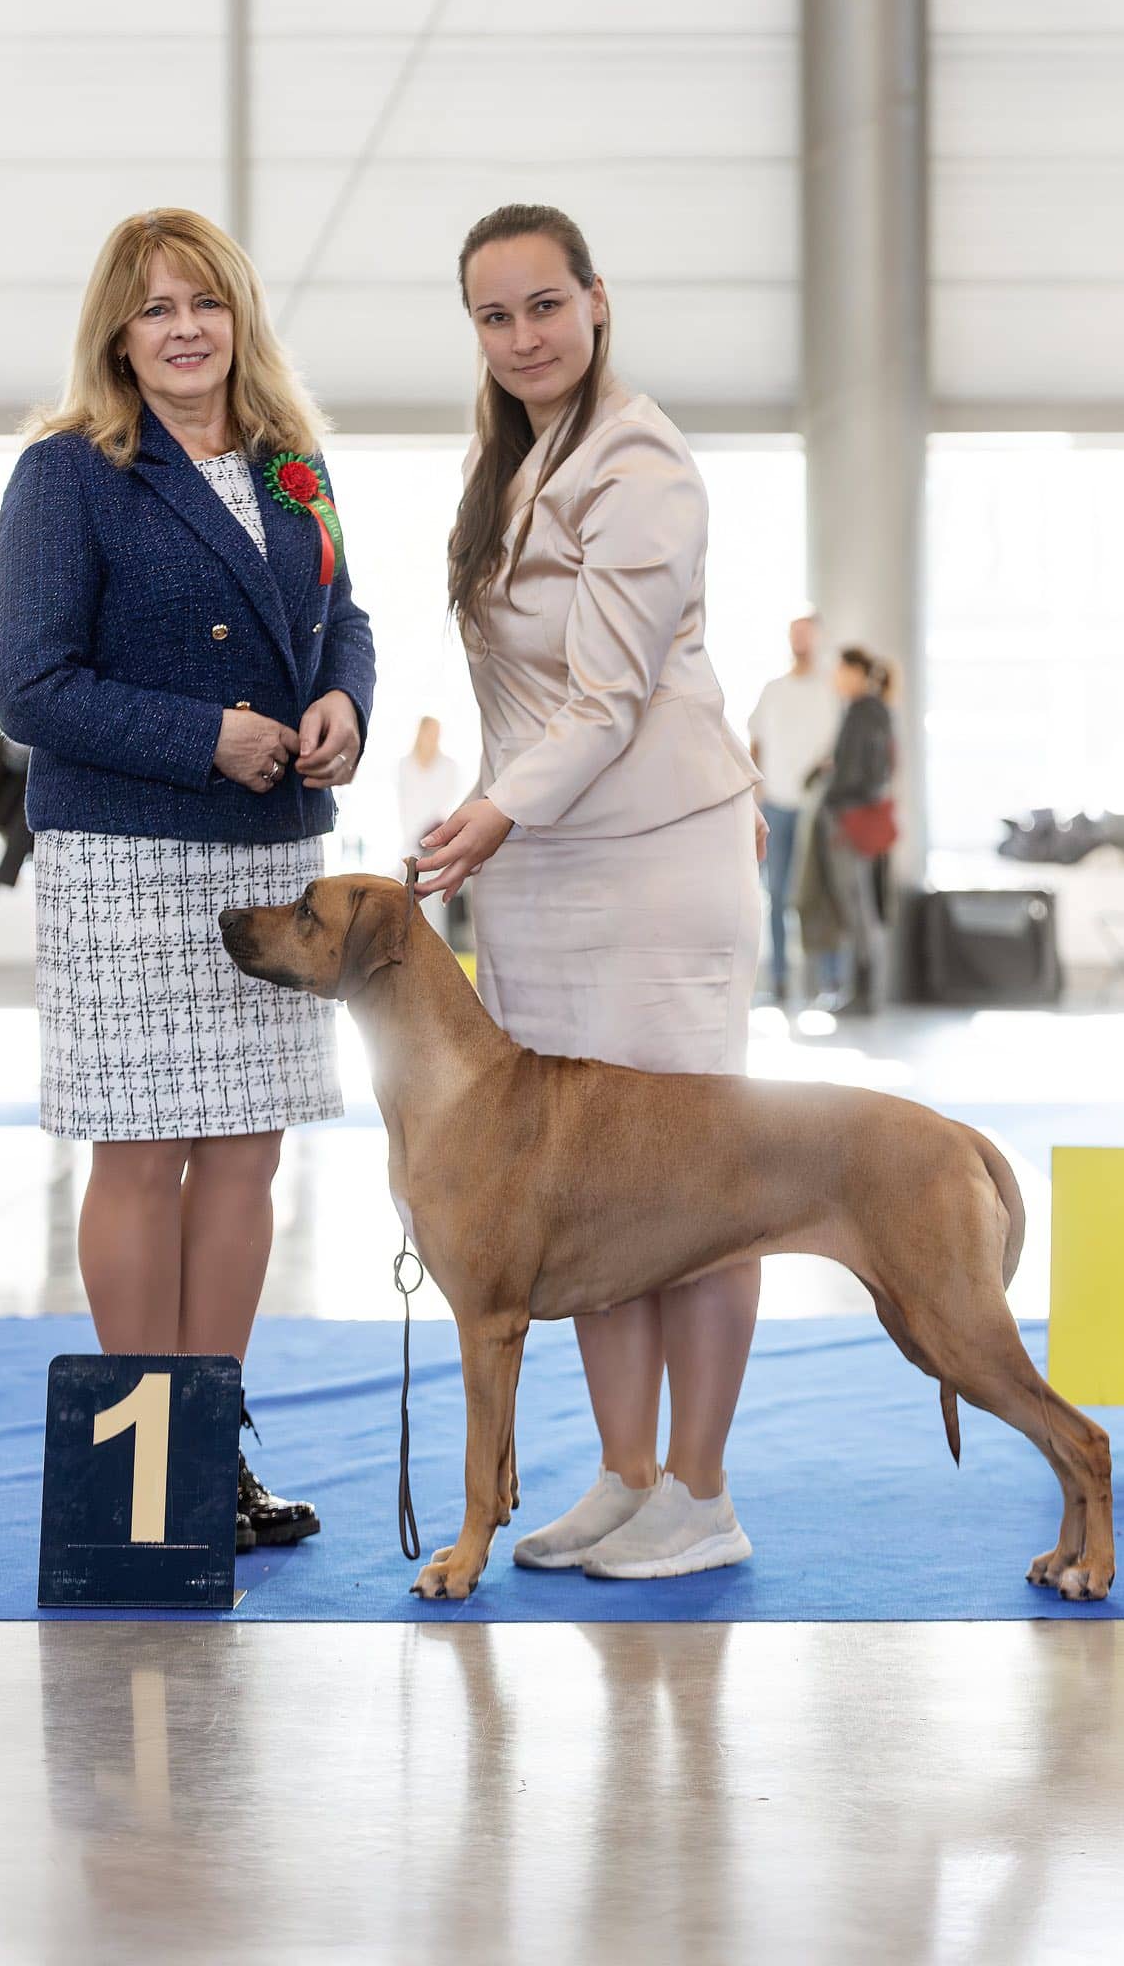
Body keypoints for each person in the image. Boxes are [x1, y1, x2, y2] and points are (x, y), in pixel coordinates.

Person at [0, 207, 375, 1552]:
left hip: (270, 847)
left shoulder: (292, 464)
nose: (185, 328)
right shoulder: (66, 472)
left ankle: (206, 1459)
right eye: (155, 307)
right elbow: (30, 687)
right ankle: (143, 1473)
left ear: (239, 315)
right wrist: (202, 733)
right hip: (127, 855)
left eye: (205, 301)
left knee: (247, 1153)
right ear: (118, 332)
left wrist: (343, 701)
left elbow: (345, 616)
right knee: (142, 1152)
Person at [418, 202, 766, 1580]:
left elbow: (611, 694)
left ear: (596, 300)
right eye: (493, 316)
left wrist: (493, 809)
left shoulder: (641, 460)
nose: (523, 337)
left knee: (697, 1179)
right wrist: (496, 815)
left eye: (544, 305)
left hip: (654, 854)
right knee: (585, 1188)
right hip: (539, 861)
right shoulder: (500, 457)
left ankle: (703, 1490)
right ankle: (628, 1474)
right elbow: (515, 693)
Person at [746, 614, 841, 1002]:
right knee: (777, 894)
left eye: (806, 633)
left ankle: (829, 982)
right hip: (777, 805)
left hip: (815, 808)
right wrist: (757, 792)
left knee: (820, 893)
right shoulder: (773, 691)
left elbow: (836, 750)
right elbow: (755, 743)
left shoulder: (829, 691)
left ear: (818, 638)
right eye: (794, 633)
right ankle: (780, 979)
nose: (799, 640)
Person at [822, 647, 896, 1016]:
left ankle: (866, 994)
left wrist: (835, 796)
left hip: (854, 820)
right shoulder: (871, 712)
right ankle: (863, 993)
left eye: (840, 670)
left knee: (859, 906)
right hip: (856, 816)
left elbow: (862, 772)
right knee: (859, 905)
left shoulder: (864, 712)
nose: (835, 678)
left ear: (855, 672)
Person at [397, 716, 459, 936]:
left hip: (436, 843)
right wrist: (414, 837)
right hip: (410, 845)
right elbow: (404, 806)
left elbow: (446, 805)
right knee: (406, 902)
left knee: (434, 906)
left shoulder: (449, 766)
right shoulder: (405, 765)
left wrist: (433, 834)